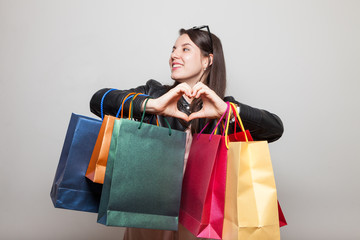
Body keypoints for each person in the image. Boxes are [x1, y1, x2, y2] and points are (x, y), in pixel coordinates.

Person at [90, 26, 284, 240]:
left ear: (207, 60)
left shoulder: (222, 108)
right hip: (149, 217)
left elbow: (275, 128)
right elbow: (98, 100)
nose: (174, 55)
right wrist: (152, 105)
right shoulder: (154, 93)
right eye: (173, 49)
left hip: (198, 223)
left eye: (185, 49)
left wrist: (228, 111)